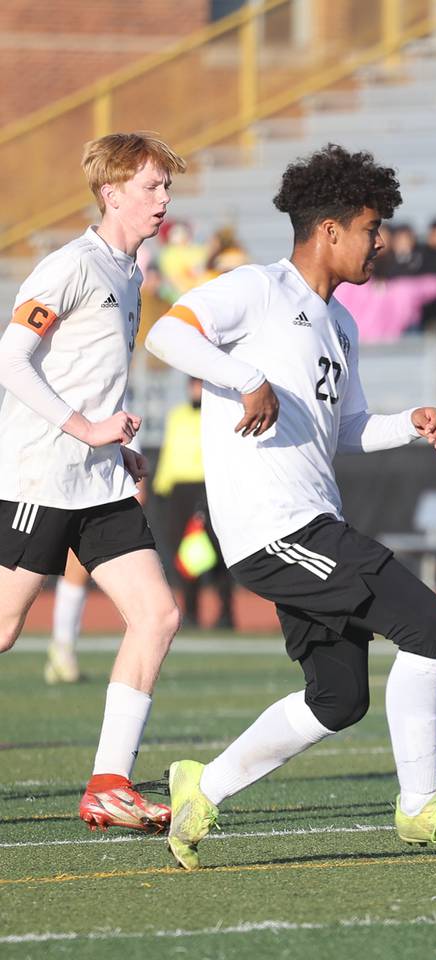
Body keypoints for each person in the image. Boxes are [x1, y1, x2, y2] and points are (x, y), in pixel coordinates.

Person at [144, 144, 436, 870]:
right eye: (372, 228)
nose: (383, 243)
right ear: (331, 231)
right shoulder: (257, 289)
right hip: (275, 527)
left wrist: (408, 424)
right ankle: (420, 807)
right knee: (428, 623)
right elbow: (165, 334)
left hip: (310, 523)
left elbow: (347, 430)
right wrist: (245, 376)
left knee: (338, 700)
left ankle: (201, 786)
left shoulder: (341, 327)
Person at [0, 132, 186, 832]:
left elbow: (89, 375)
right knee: (4, 629)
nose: (163, 199)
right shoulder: (69, 266)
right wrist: (83, 428)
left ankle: (108, 783)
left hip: (99, 481)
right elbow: (10, 360)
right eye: (151, 187)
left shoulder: (132, 273)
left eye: (166, 187)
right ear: (110, 193)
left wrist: (114, 445)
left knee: (158, 616)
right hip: (41, 476)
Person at [152, 377, 236, 629]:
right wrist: (161, 485)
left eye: (200, 385)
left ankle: (225, 615)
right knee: (186, 555)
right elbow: (170, 453)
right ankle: (190, 612)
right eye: (193, 384)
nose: (195, 390)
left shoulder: (218, 415)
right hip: (179, 492)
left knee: (218, 553)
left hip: (208, 487)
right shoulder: (177, 416)